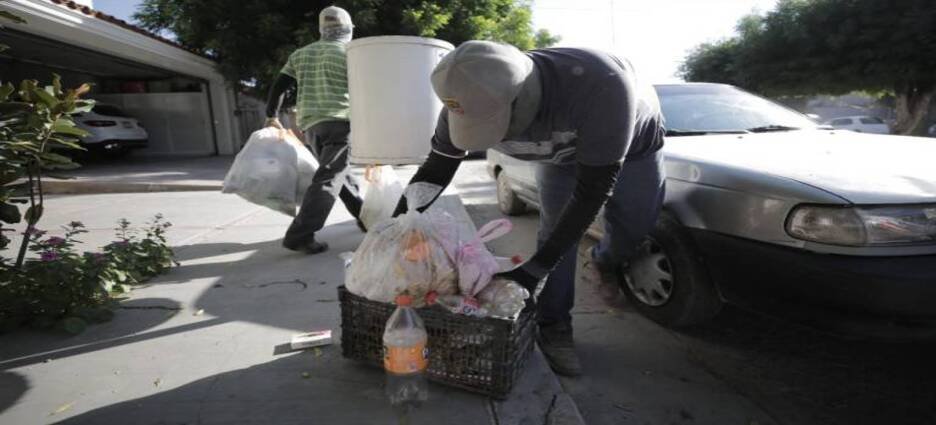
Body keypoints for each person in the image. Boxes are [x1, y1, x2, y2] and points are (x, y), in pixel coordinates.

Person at [393, 41, 666, 376]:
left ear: (524, 97)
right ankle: (554, 326)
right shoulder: (465, 96)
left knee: (635, 226)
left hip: (635, 148)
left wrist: (536, 268)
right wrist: (391, 232)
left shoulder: (601, 85)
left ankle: (605, 260)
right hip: (559, 159)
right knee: (554, 236)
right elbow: (435, 171)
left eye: (495, 123)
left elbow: (593, 191)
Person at [265, 5, 363, 254]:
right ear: (348, 28)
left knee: (339, 175)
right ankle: (300, 234)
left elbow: (280, 86)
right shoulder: (351, 53)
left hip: (311, 126)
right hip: (341, 122)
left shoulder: (301, 54)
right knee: (329, 178)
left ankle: (365, 217)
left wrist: (271, 116)